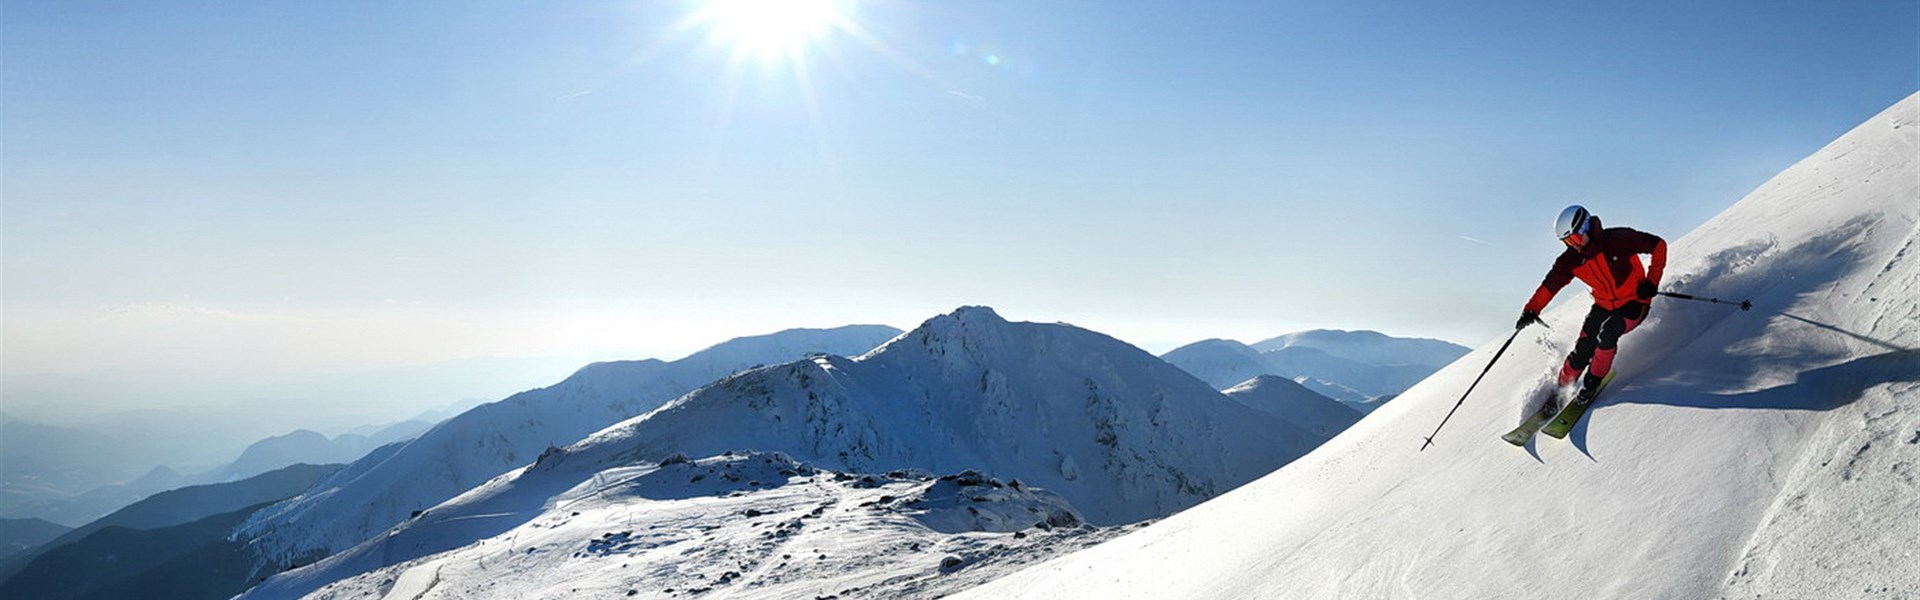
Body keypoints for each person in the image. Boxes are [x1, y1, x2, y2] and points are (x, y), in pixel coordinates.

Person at [1515, 205, 1667, 409]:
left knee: (1607, 333)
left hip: (1635, 302)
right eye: (1567, 242)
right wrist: (1531, 310)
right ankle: (1561, 389)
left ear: (1585, 227)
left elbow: (1658, 245)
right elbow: (1550, 285)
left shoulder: (1618, 239)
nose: (1574, 246)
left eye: (1575, 239)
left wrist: (1651, 283)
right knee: (1582, 350)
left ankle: (1591, 384)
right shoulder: (1571, 259)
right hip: (1603, 305)